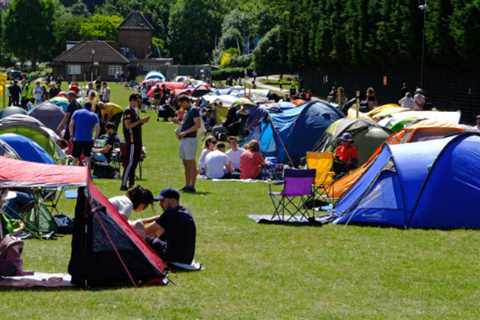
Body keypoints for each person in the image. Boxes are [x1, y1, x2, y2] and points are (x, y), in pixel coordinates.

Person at [143, 188, 196, 265]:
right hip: (186, 259)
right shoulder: (185, 211)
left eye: (162, 201)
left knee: (146, 238)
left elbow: (146, 230)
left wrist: (135, 223)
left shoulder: (170, 214)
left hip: (172, 258)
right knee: (160, 235)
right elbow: (160, 221)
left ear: (172, 200)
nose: (160, 204)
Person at [121, 94, 150, 191]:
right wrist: (141, 121)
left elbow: (135, 125)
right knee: (130, 163)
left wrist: (142, 122)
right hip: (132, 141)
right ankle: (124, 183)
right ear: (132, 100)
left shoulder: (134, 111)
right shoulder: (128, 111)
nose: (138, 103)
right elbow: (128, 125)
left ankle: (131, 184)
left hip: (137, 141)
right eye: (137, 101)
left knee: (134, 163)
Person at [176, 95, 201, 192]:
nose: (181, 106)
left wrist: (184, 132)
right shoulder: (188, 111)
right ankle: (187, 185)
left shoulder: (194, 110)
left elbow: (197, 125)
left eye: (181, 103)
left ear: (186, 102)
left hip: (190, 139)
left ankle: (192, 185)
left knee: (191, 163)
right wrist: (178, 125)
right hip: (185, 139)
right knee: (185, 163)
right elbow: (186, 125)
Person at [69, 102, 100, 166]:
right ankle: (88, 173)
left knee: (75, 157)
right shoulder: (94, 115)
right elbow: (98, 128)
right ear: (91, 107)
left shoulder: (76, 112)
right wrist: (95, 138)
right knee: (87, 157)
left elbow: (71, 125)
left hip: (78, 139)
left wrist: (71, 135)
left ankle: (73, 173)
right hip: (88, 139)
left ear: (84, 106)